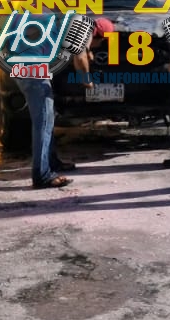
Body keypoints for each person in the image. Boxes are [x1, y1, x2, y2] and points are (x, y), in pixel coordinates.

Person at [13, 14, 107, 190]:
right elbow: (80, 58)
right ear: (98, 35)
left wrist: (87, 51)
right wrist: (88, 83)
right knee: (43, 122)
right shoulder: (84, 28)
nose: (100, 46)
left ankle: (52, 162)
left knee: (48, 120)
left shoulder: (76, 21)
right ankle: (42, 176)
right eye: (102, 42)